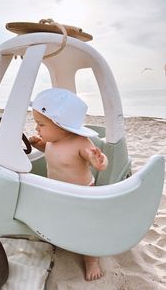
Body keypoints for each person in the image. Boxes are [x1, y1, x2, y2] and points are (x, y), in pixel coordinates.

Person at [29, 88, 108, 281]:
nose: (37, 129)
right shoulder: (52, 140)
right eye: (36, 124)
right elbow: (50, 152)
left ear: (61, 125)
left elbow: (100, 161)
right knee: (59, 218)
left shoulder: (80, 142)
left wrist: (99, 160)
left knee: (85, 226)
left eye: (41, 124)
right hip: (58, 192)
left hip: (81, 195)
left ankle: (91, 261)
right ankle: (60, 238)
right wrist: (37, 144)